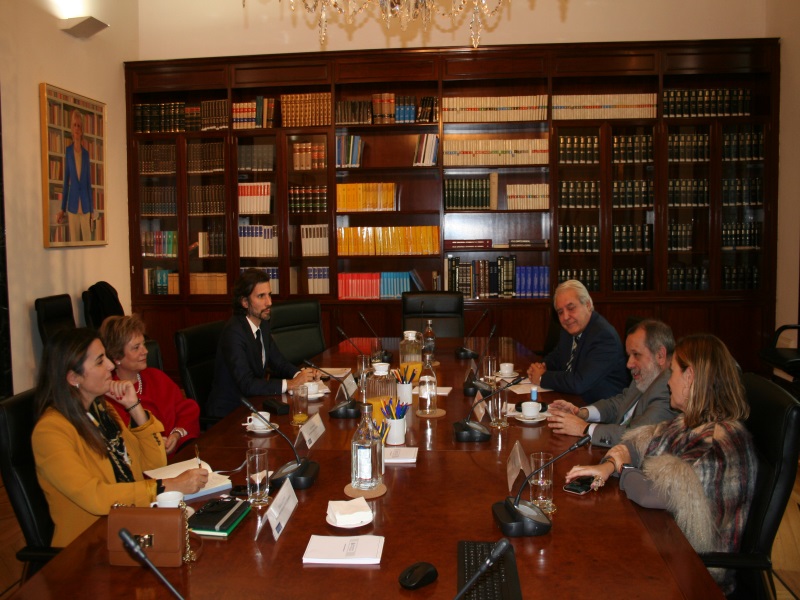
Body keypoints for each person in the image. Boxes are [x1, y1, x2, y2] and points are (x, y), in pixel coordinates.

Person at [565, 334, 756, 595]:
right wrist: (609, 465)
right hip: (670, 541)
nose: (668, 382)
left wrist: (622, 469)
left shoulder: (717, 441)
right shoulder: (688, 422)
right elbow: (638, 443)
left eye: (673, 372)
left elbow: (652, 493)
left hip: (697, 572)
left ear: (690, 378)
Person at [32, 329, 208, 547]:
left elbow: (154, 463)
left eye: (106, 356)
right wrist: (169, 485)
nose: (111, 366)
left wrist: (135, 408)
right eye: (99, 361)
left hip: (129, 526)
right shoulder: (50, 431)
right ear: (73, 378)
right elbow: (95, 497)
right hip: (88, 547)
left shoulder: (104, 412)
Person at [547, 319, 678, 446]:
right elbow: (620, 403)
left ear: (660, 355)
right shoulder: (649, 374)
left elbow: (637, 436)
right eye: (628, 356)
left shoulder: (669, 389)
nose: (629, 364)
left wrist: (584, 429)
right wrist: (581, 413)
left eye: (636, 354)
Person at [208, 268, 317, 418]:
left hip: (254, 404)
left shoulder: (262, 323)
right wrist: (291, 384)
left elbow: (278, 362)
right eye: (261, 296)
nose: (269, 302)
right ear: (245, 302)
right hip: (230, 414)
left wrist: (303, 375)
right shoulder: (233, 333)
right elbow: (247, 384)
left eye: (269, 295)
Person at [99, 314, 200, 454]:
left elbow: (187, 410)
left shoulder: (156, 376)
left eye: (144, 344)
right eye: (136, 348)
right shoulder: (111, 394)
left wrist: (176, 435)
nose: (145, 351)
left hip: (179, 454)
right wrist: (155, 444)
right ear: (116, 357)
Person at [527, 280, 628, 403]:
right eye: (560, 312)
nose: (565, 317)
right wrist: (541, 366)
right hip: (572, 400)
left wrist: (542, 377)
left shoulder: (604, 337)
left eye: (571, 308)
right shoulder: (570, 330)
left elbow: (579, 382)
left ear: (588, 305)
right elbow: (558, 357)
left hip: (600, 409)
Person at [57, 109, 94, 242]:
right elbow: (66, 181)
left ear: (82, 130)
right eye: (75, 125)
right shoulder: (68, 152)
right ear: (71, 129)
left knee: (87, 241)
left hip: (85, 206)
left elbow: (88, 184)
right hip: (72, 205)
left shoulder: (86, 154)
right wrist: (62, 208)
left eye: (79, 125)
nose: (77, 128)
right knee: (74, 242)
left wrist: (92, 209)